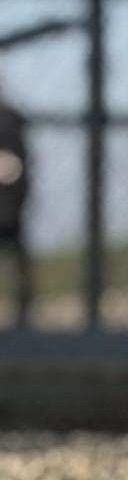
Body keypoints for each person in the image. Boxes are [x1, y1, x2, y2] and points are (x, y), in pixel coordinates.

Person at [0, 82, 31, 328]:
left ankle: (23, 313)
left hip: (10, 203)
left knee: (18, 261)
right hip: (13, 202)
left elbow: (14, 166)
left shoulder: (10, 119)